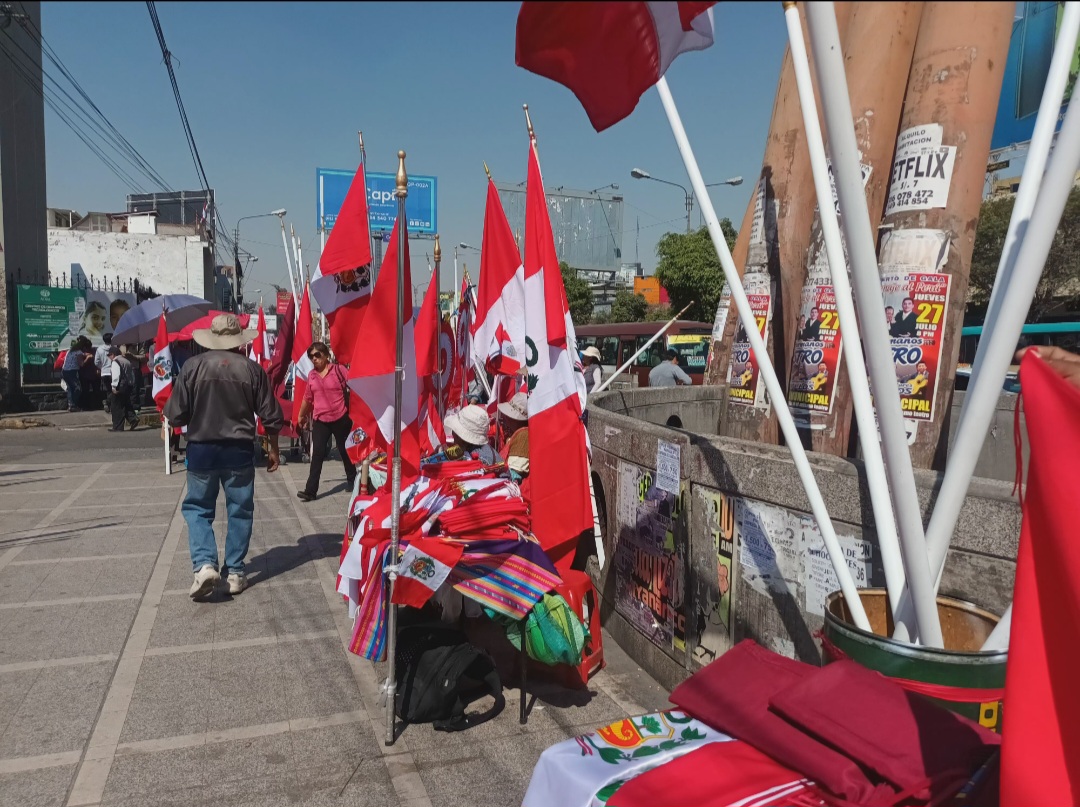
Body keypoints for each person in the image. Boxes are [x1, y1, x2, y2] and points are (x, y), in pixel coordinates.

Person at [163, 314, 284, 599]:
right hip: (240, 451)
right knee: (240, 511)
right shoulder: (252, 370)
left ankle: (205, 564)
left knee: (198, 509)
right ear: (238, 340)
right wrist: (274, 449)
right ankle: (236, 573)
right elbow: (271, 415)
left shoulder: (192, 367)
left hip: (202, 451)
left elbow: (176, 413)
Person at [295, 341, 356, 502]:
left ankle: (352, 479)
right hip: (320, 419)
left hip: (341, 417)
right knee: (317, 454)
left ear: (326, 355)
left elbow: (355, 385)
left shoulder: (338, 370)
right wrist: (300, 416)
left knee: (344, 450)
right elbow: (308, 398)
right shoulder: (312, 376)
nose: (314, 359)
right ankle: (310, 491)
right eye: (311, 356)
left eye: (317, 355)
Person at [498, 393, 530, 483]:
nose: (505, 417)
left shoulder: (524, 435)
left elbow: (514, 472)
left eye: (508, 416)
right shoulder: (518, 433)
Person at [108, 346, 139, 432]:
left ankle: (118, 427)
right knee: (125, 404)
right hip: (128, 386)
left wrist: (114, 387)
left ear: (113, 354)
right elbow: (131, 374)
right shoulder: (126, 361)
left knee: (117, 407)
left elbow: (116, 375)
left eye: (109, 355)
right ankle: (133, 419)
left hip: (119, 387)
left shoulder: (116, 362)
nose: (109, 357)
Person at [61, 338, 92, 412]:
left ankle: (70, 405)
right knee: (77, 389)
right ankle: (73, 405)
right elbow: (81, 364)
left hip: (64, 371)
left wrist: (84, 354)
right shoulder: (79, 353)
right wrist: (88, 358)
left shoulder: (71, 350)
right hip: (71, 372)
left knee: (70, 389)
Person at [95, 334, 113, 413]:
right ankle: (109, 403)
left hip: (104, 372)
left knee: (108, 390)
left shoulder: (99, 349)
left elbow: (96, 362)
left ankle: (109, 404)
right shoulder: (114, 348)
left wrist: (101, 367)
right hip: (113, 372)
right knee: (115, 390)